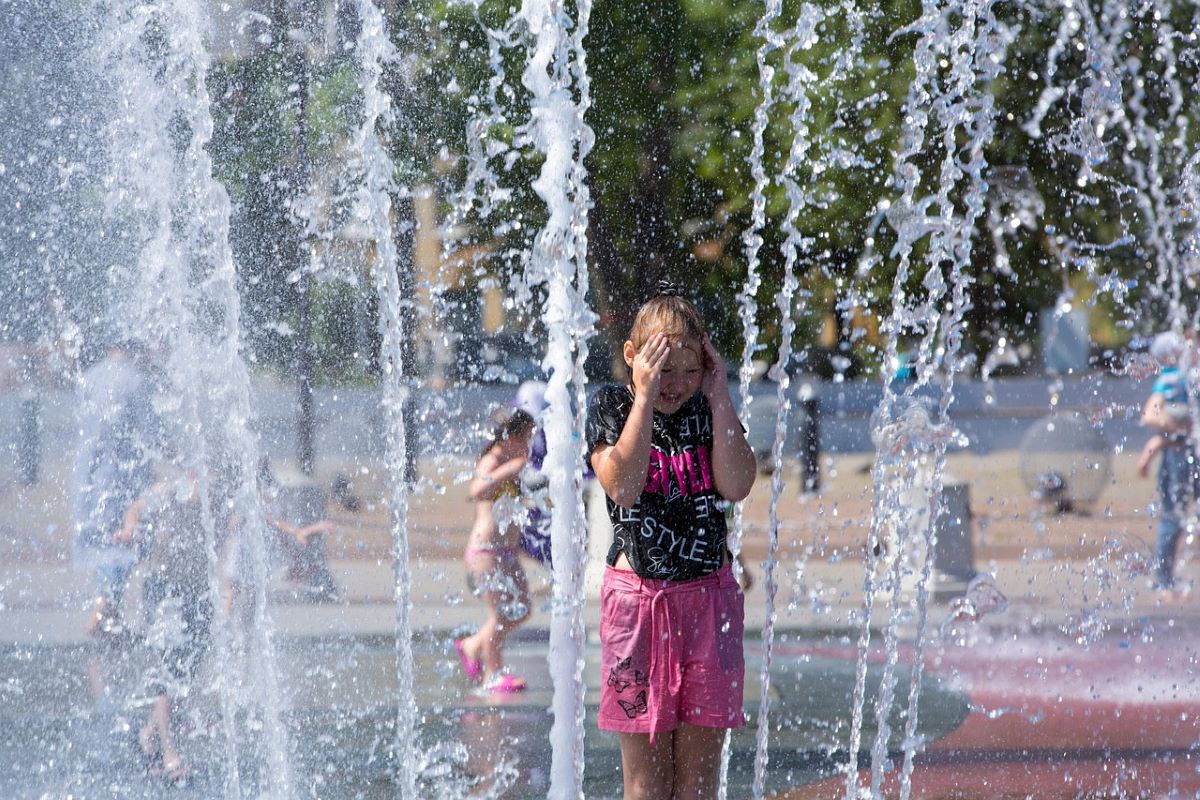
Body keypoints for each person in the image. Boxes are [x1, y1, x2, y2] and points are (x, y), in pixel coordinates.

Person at [585, 281, 757, 799]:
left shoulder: (709, 411)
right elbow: (624, 485)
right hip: (639, 608)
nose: (675, 383)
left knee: (699, 782)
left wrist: (721, 393)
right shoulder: (613, 407)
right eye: (663, 368)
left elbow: (738, 483)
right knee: (646, 783)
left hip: (708, 601)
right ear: (634, 357)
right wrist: (642, 397)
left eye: (689, 370)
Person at [113, 466, 217, 787]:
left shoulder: (219, 491)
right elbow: (136, 508)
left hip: (199, 590)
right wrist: (129, 530)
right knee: (170, 674)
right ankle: (170, 753)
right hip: (165, 589)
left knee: (185, 672)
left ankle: (148, 735)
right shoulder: (174, 488)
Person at [71, 341, 158, 638]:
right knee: (124, 542)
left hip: (90, 475)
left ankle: (111, 613)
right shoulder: (136, 381)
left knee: (107, 543)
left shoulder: (91, 377)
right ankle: (102, 611)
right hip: (124, 476)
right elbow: (150, 434)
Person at [455, 407, 537, 694]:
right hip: (485, 553)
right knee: (500, 615)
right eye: (526, 436)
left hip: (506, 553)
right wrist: (508, 470)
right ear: (511, 436)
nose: (530, 442)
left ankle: (473, 645)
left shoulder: (516, 460)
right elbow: (476, 490)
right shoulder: (493, 460)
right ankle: (493, 673)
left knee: (522, 608)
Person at [1138, 330, 1197, 597]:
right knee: (1173, 518)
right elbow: (1152, 415)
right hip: (1182, 454)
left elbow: (1151, 416)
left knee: (1172, 518)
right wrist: (1179, 428)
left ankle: (1163, 580)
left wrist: (1160, 440)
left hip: (1177, 454)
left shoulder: (1174, 378)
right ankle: (1163, 580)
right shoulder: (1183, 377)